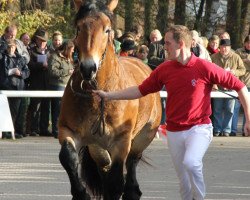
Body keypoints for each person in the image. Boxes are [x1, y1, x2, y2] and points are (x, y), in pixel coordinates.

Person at [92, 25, 250, 200]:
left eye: (167, 43)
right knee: (183, 181)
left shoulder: (205, 67)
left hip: (199, 129)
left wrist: (249, 120)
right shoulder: (165, 69)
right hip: (174, 132)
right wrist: (108, 95)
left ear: (180, 44)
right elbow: (140, 90)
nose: (164, 47)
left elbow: (241, 87)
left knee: (191, 163)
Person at [211, 39, 246, 137]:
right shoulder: (213, 57)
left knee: (230, 110)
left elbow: (243, 70)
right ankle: (217, 129)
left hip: (231, 87)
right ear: (219, 48)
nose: (224, 49)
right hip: (218, 87)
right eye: (222, 47)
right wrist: (213, 83)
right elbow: (209, 70)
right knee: (217, 109)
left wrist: (234, 72)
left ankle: (227, 130)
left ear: (230, 48)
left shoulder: (236, 57)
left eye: (226, 47)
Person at [0, 39, 30, 139]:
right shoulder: (2, 57)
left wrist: (20, 73)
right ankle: (5, 132)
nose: (11, 49)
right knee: (5, 111)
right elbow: (3, 72)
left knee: (15, 111)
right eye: (9, 47)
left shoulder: (20, 58)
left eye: (12, 47)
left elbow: (27, 72)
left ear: (15, 48)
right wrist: (11, 71)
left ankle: (12, 131)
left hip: (18, 88)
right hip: (6, 87)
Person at [48, 40, 75, 138]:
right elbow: (53, 72)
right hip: (57, 86)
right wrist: (68, 71)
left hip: (67, 86)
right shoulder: (54, 57)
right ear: (66, 49)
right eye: (71, 50)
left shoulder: (69, 58)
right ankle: (55, 130)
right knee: (57, 109)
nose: (72, 52)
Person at [27, 28, 51, 137]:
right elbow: (29, 65)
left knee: (46, 107)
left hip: (47, 83)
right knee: (35, 107)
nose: (42, 42)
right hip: (36, 83)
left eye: (44, 40)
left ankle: (44, 129)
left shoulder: (50, 51)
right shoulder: (31, 50)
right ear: (36, 39)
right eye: (40, 40)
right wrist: (41, 65)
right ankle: (33, 129)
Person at [234, 35, 250, 136]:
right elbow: (237, 65)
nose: (249, 45)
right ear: (244, 43)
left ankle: (247, 130)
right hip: (240, 82)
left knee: (248, 108)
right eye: (248, 42)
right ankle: (233, 130)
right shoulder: (238, 52)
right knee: (236, 107)